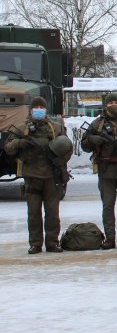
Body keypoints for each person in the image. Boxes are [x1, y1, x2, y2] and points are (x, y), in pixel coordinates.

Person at [5, 97, 70, 254]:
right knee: (33, 213)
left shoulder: (56, 128)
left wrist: (59, 161)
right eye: (36, 107)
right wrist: (20, 143)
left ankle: (52, 242)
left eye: (42, 106)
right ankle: (35, 243)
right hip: (32, 176)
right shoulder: (22, 129)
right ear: (31, 110)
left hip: (51, 177)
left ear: (46, 109)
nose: (39, 109)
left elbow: (67, 148)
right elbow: (8, 148)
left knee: (52, 213)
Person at [81, 93, 117, 249]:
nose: (113, 105)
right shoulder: (97, 124)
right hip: (106, 170)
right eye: (110, 102)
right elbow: (84, 145)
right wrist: (93, 140)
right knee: (108, 206)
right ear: (105, 105)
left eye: (116, 102)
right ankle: (109, 238)